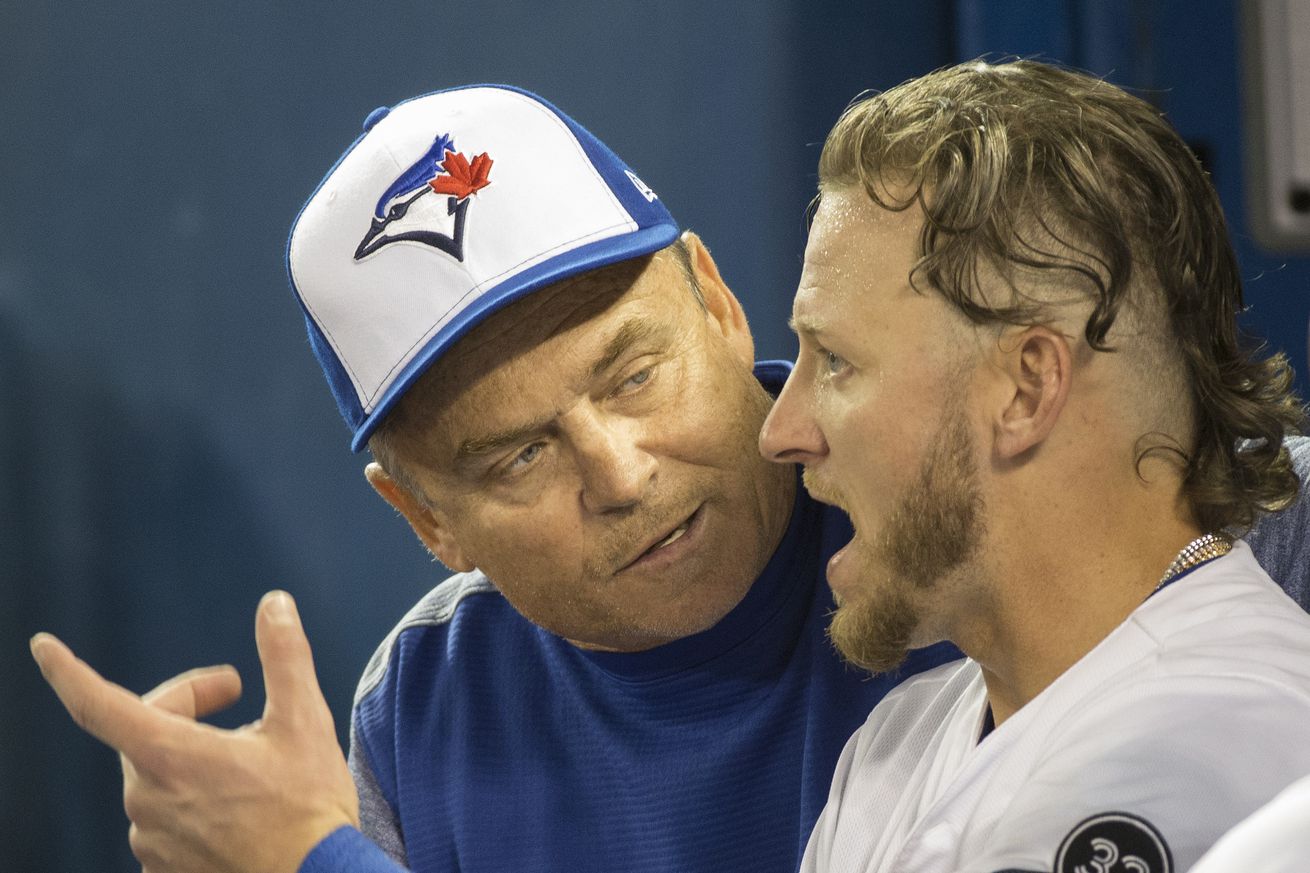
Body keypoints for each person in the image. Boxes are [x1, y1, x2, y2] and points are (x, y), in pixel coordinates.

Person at [27, 81, 1310, 873]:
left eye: (633, 374)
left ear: (712, 294)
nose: (620, 471)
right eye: (516, 454)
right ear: (422, 518)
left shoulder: (1207, 569)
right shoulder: (432, 704)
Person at [758, 59, 1310, 873]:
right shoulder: (894, 744)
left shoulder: (1232, 751)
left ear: (1025, 389)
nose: (781, 430)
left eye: (835, 360)